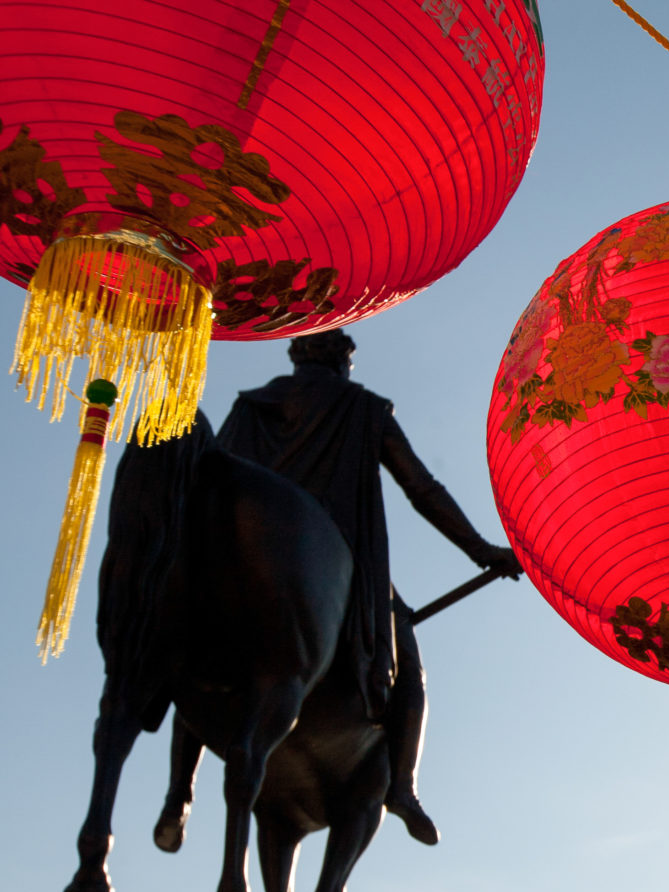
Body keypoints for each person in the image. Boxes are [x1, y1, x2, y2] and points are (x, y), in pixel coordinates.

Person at [216, 330, 520, 843]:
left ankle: (179, 787)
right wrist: (481, 549)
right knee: (410, 669)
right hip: (343, 566)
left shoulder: (252, 406)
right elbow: (423, 489)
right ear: (338, 361)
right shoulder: (364, 408)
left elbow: (216, 478)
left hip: (253, 562)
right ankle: (402, 786)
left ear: (297, 357)